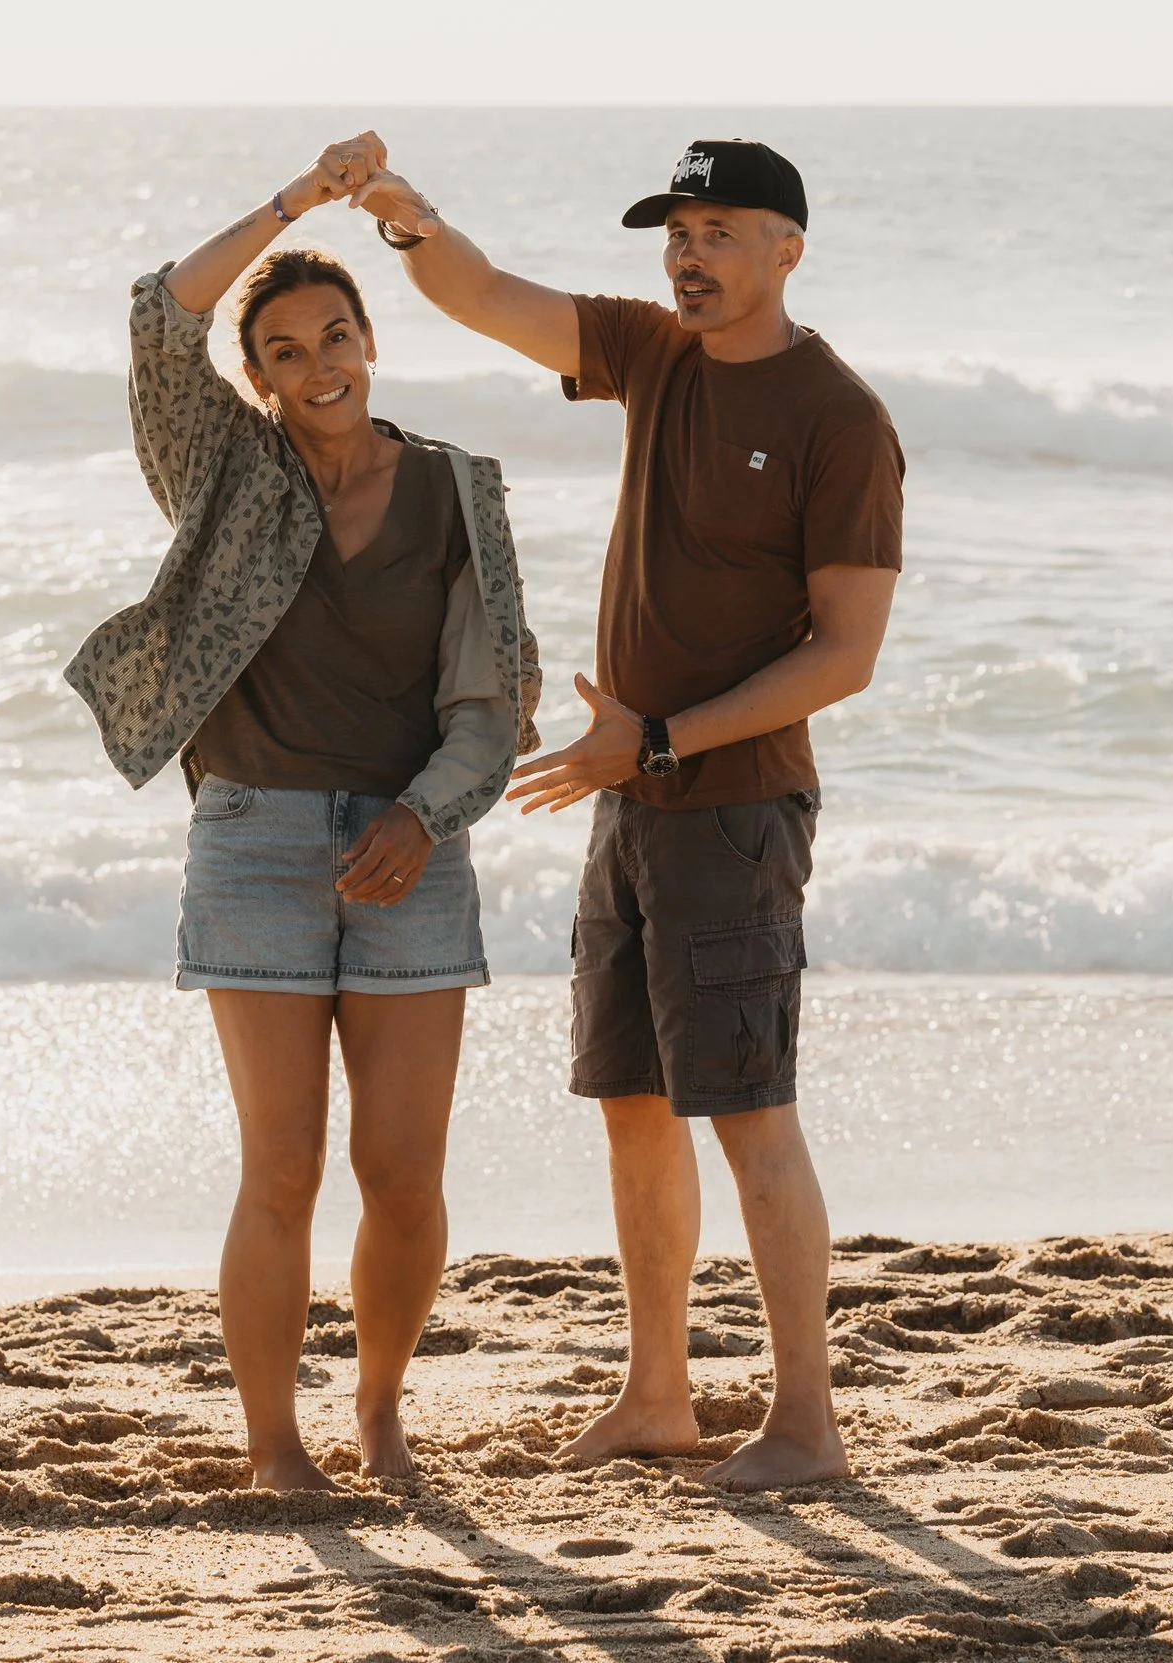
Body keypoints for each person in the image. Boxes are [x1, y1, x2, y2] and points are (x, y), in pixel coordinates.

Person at [359, 137, 903, 1489]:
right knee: (636, 1104)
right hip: (631, 797)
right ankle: (657, 1394)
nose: (691, 253)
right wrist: (406, 218)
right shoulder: (651, 354)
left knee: (751, 1110)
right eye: (679, 230)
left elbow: (844, 656)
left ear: (789, 247)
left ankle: (806, 1424)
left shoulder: (840, 415)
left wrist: (653, 740)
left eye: (723, 230)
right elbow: (487, 296)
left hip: (731, 808)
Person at [65, 135, 540, 1489]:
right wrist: (294, 203)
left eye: (338, 335)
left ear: (372, 340)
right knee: (281, 1169)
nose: (319, 363)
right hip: (257, 845)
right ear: (259, 376)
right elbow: (164, 314)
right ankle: (276, 1446)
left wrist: (427, 815)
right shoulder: (220, 471)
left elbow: (491, 701)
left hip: (413, 851)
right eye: (285, 349)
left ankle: (381, 1412)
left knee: (401, 1171)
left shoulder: (461, 490)